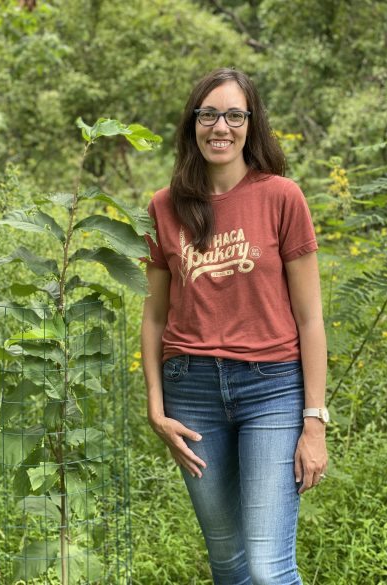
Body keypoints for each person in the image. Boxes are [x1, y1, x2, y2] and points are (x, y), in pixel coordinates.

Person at [141, 67, 328, 585]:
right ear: (192, 123)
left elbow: (310, 318)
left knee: (268, 569)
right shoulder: (164, 206)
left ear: (252, 124)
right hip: (191, 391)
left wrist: (314, 421)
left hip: (271, 388)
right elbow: (155, 314)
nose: (220, 127)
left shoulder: (282, 197)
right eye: (208, 114)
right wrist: (155, 408)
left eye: (234, 115)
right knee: (227, 563)